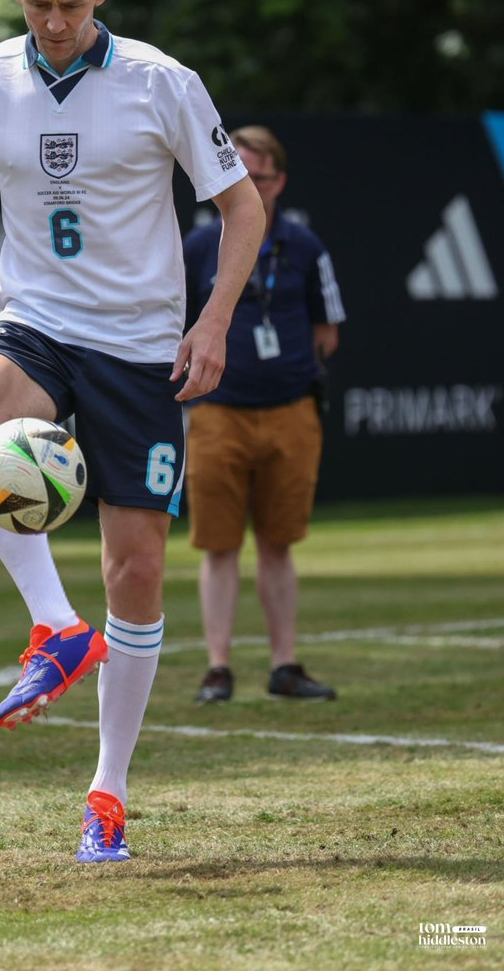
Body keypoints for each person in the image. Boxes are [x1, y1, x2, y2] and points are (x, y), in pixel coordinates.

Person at [0, 0, 265, 862]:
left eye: (70, 4)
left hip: (139, 346)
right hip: (38, 322)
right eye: (37, 7)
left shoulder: (161, 83)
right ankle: (56, 628)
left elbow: (239, 209)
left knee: (137, 572)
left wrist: (212, 321)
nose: (54, 22)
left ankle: (106, 792)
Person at [183, 125, 345, 705]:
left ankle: (285, 665)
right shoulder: (199, 245)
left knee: (279, 542)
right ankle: (218, 667)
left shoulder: (304, 246)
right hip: (217, 411)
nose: (251, 186)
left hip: (290, 410)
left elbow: (328, 328)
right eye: (240, 175)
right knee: (218, 544)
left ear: (280, 182)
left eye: (261, 177)